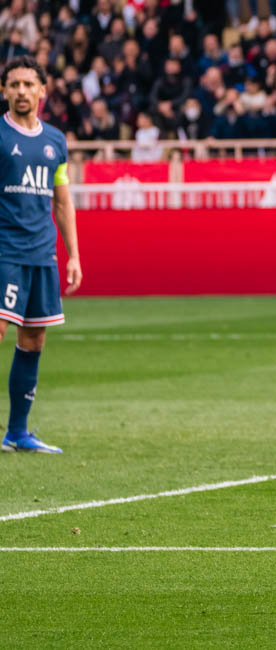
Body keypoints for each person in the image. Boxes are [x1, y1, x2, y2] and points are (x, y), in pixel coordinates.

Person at [0, 57, 82, 454]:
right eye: (14, 84)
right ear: (4, 91)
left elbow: (62, 201)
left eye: (28, 84)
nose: (21, 91)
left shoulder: (55, 141)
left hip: (42, 254)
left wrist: (73, 255)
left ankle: (17, 433)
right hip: (5, 251)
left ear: (42, 91)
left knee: (33, 339)